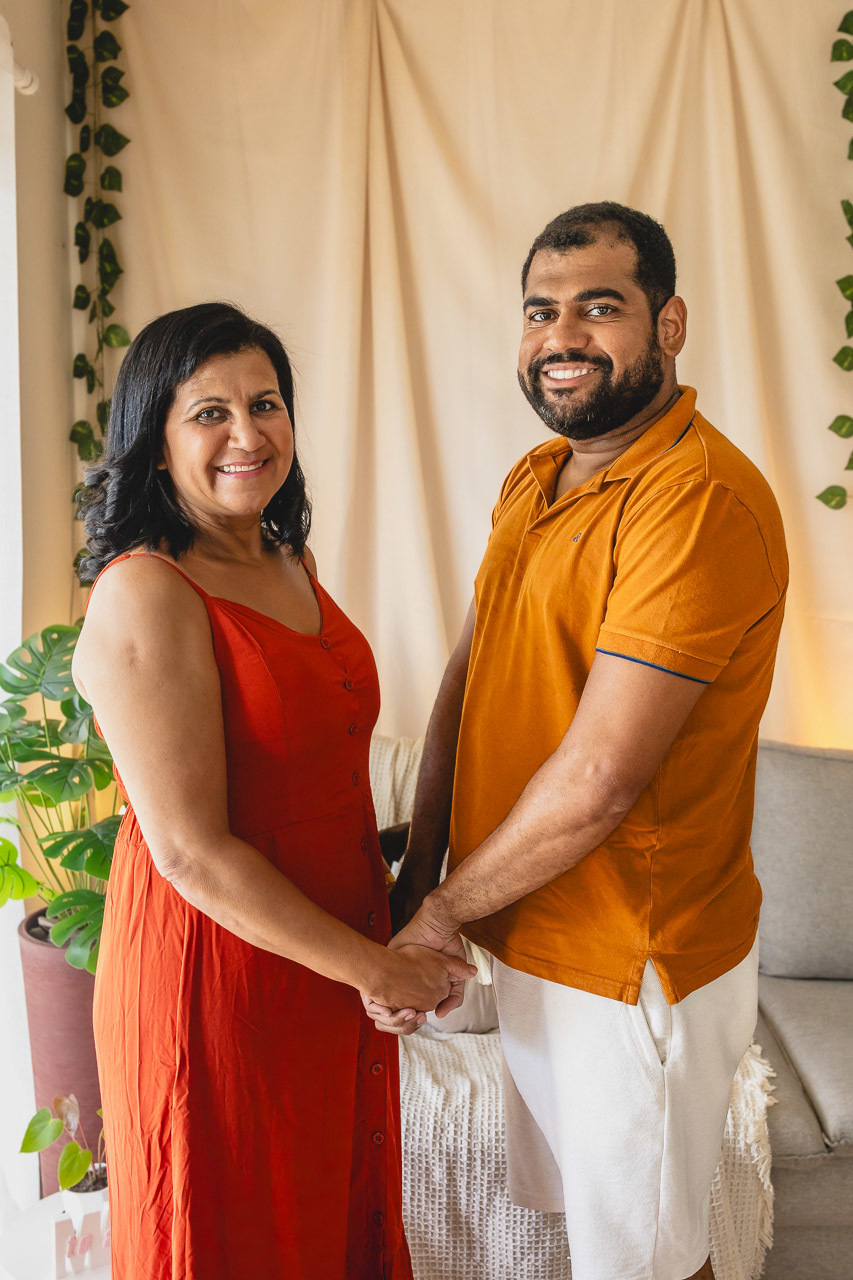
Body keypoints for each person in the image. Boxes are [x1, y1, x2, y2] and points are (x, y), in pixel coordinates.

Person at [366, 203, 788, 1280]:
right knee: (592, 1237)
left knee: (648, 1262)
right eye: (539, 310)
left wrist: (442, 912)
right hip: (533, 937)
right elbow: (471, 670)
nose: (562, 335)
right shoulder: (536, 475)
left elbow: (599, 779)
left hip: (630, 963)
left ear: (669, 321)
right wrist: (421, 874)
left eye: (598, 307)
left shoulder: (693, 500)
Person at [72, 302, 474, 1280]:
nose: (248, 434)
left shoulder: (286, 557)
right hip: (220, 972)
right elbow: (190, 850)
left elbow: (296, 772)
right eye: (209, 411)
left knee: (329, 1215)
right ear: (155, 439)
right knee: (239, 1229)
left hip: (323, 951)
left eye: (266, 403)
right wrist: (375, 969)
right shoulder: (147, 589)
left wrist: (404, 857)